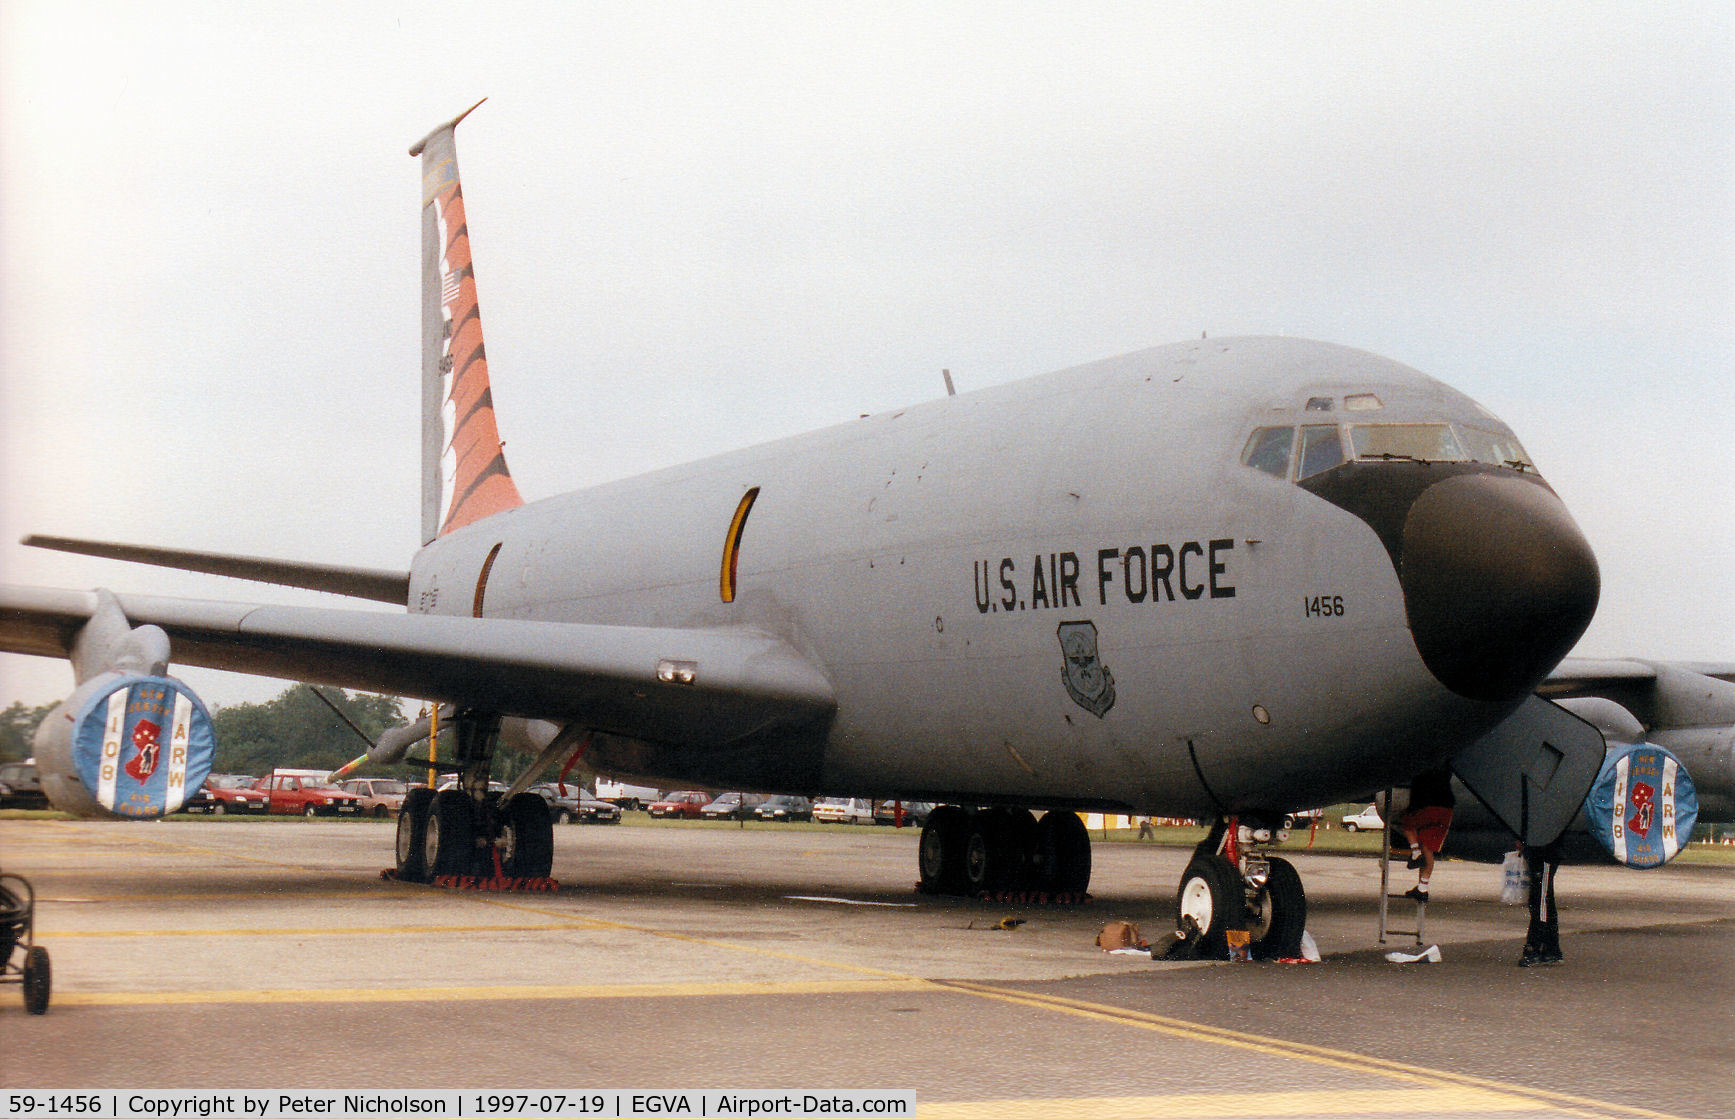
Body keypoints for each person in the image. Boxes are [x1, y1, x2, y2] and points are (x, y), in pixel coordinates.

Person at [1398, 766, 1455, 901]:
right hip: (1446, 810)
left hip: (1427, 807)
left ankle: (1415, 852)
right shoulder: (1446, 769)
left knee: (1407, 823)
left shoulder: (1422, 766)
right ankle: (1422, 888)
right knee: (1428, 849)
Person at [1520, 839, 1565, 966]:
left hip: (1544, 852)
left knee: (1541, 901)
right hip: (1543, 851)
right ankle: (1551, 949)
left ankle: (1535, 947)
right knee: (1543, 899)